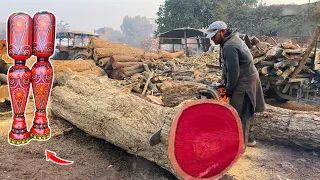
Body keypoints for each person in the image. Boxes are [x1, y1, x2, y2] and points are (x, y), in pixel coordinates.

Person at [206, 21, 265, 148]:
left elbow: (234, 72)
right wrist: (222, 80)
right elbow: (226, 65)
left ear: (222, 32)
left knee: (240, 111)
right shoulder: (230, 40)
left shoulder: (230, 46)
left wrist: (229, 89)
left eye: (213, 35)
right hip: (247, 77)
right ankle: (249, 138)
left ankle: (240, 146)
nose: (212, 38)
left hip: (244, 80)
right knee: (246, 109)